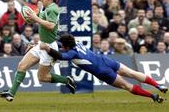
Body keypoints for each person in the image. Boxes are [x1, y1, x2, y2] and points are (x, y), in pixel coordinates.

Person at [0, 0, 76, 102]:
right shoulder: (46, 7)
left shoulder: (52, 9)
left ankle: (67, 80)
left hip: (48, 47)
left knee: (42, 77)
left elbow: (50, 26)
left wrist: (35, 18)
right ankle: (11, 93)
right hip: (41, 44)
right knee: (21, 66)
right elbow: (40, 21)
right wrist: (32, 18)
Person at [40, 33, 168, 103]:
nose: (61, 47)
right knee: (133, 73)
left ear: (66, 46)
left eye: (62, 45)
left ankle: (153, 97)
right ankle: (158, 86)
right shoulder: (76, 43)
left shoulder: (72, 53)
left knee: (127, 86)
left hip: (102, 71)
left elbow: (61, 56)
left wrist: (47, 48)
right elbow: (62, 42)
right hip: (107, 61)